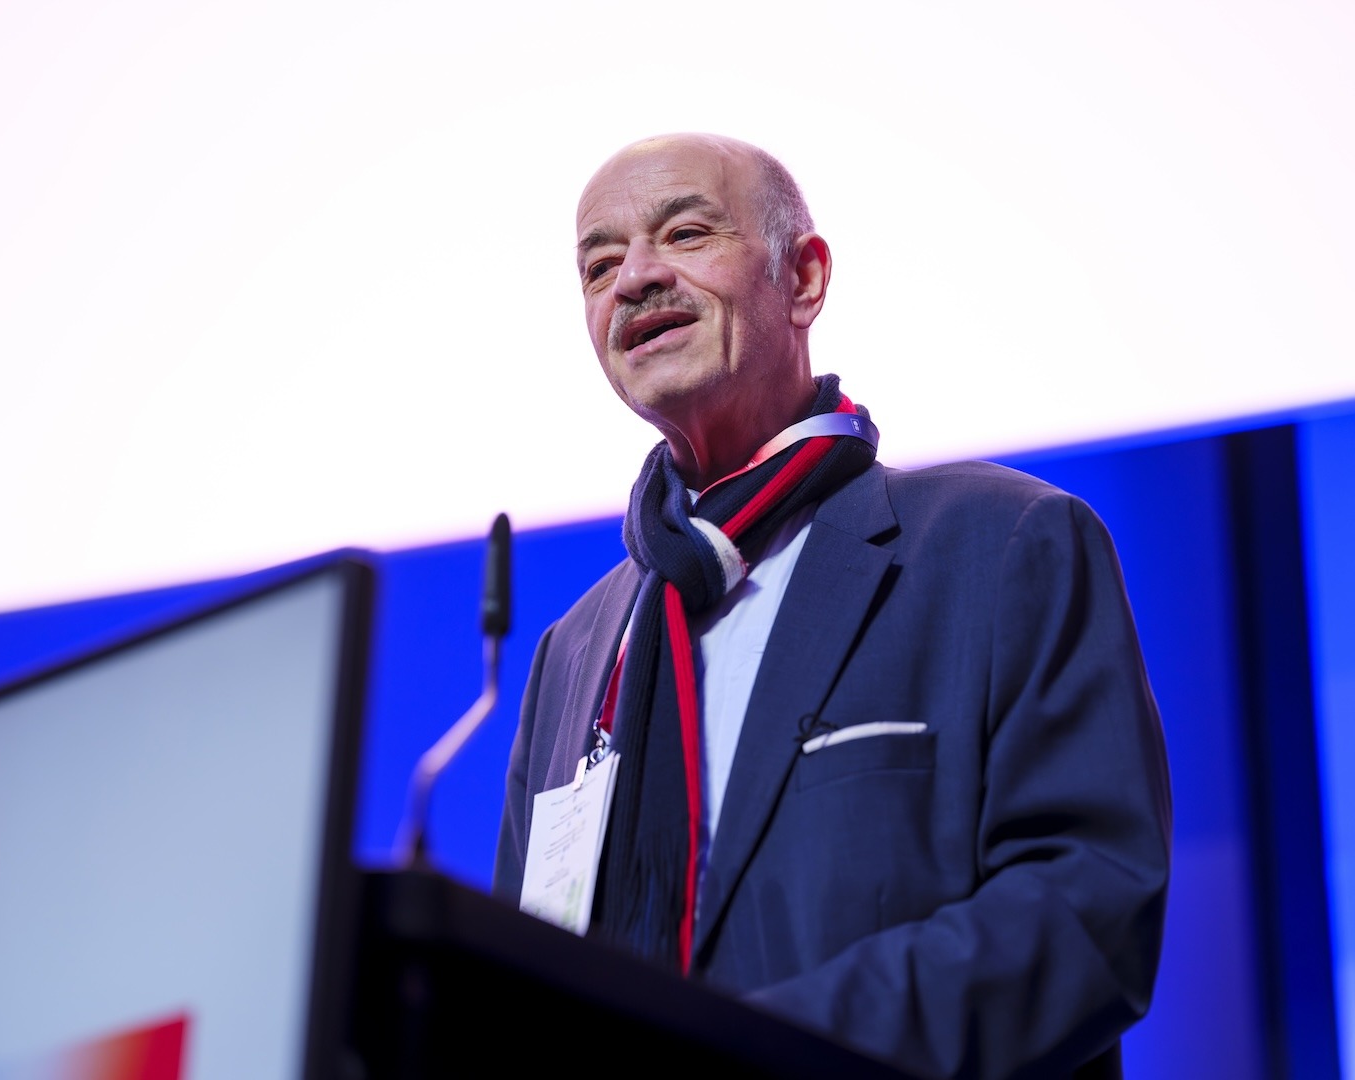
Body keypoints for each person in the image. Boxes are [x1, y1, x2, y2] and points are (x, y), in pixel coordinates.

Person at [493, 133, 1172, 1078]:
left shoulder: (1002, 544)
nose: (636, 278)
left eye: (685, 234)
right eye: (599, 266)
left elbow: (1086, 911)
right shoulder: (574, 655)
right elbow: (521, 990)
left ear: (803, 280)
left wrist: (750, 1057)